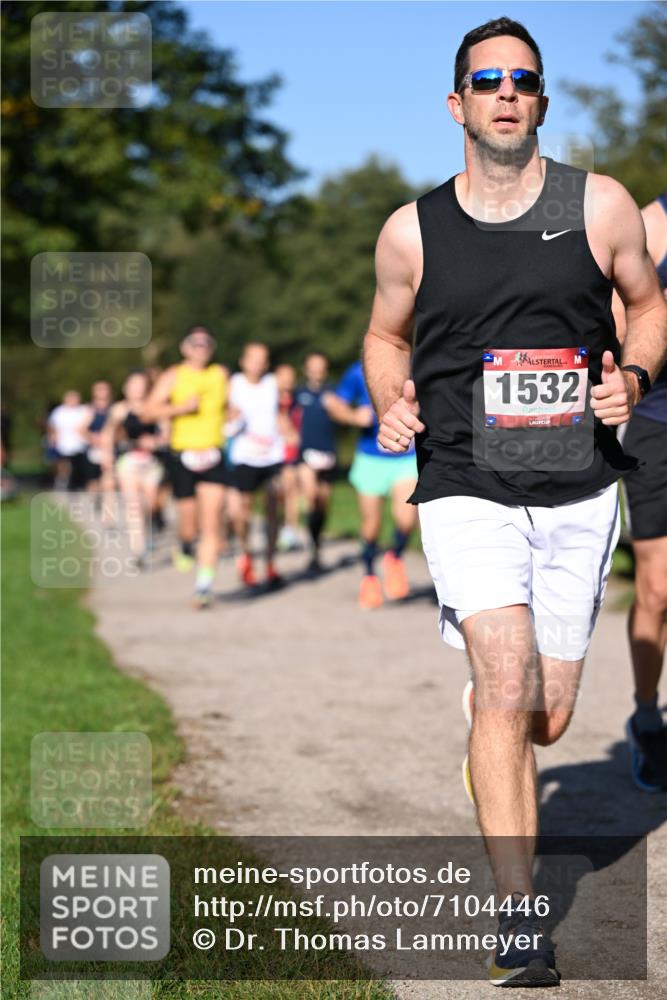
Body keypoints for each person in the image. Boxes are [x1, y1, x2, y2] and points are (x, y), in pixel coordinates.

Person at [361, 17, 667, 986]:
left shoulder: (602, 206)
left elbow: (649, 304)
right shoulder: (412, 229)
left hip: (578, 485)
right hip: (464, 481)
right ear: (457, 103)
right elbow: (383, 335)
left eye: (522, 80)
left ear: (540, 101)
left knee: (549, 714)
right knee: (503, 681)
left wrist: (636, 371)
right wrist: (388, 403)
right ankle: (517, 913)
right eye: (486, 79)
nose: (505, 92)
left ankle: (503, 731)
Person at [613, 193, 667, 792]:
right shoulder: (653, 223)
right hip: (657, 426)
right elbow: (618, 320)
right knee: (656, 587)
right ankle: (648, 716)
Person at [144, 327, 228, 608]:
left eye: (206, 344)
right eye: (196, 343)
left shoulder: (220, 375)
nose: (201, 348)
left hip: (213, 454)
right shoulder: (173, 375)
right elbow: (148, 410)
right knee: (189, 523)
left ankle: (203, 587)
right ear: (185, 349)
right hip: (183, 455)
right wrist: (180, 409)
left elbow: (230, 405)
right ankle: (185, 542)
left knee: (212, 522)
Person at [326, 360, 418, 608]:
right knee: (371, 526)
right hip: (370, 459)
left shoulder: (416, 365)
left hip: (406, 458)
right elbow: (335, 404)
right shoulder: (358, 371)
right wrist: (353, 416)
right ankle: (369, 577)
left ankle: (394, 557)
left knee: (407, 520)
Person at [226, 342, 285, 588]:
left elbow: (281, 413)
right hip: (245, 455)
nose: (257, 363)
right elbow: (222, 413)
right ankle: (245, 552)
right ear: (243, 361)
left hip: (272, 455)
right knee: (243, 511)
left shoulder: (273, 384)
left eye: (262, 359)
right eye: (253, 358)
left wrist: (289, 430)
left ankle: (270, 563)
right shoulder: (234, 384)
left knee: (273, 507)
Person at [102, 371, 167, 568]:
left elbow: (167, 435)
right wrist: (107, 457)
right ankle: (138, 550)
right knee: (134, 505)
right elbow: (108, 434)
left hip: (152, 463)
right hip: (128, 461)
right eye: (133, 385)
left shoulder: (156, 408)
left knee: (150, 505)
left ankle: (150, 530)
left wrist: (155, 442)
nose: (137, 390)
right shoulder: (120, 410)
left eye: (140, 385)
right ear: (126, 388)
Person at [293, 351, 338, 572]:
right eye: (313, 366)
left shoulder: (334, 393)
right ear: (306, 369)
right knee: (310, 496)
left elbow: (344, 417)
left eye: (321, 366)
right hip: (306, 454)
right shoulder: (298, 394)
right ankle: (311, 545)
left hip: (328, 453)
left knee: (323, 502)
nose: (317, 370)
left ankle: (317, 543)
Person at [275, 363, 303, 552]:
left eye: (290, 377)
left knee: (292, 490)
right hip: (271, 455)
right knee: (277, 494)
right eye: (282, 377)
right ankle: (277, 526)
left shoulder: (298, 401)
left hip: (292, 454)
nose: (287, 382)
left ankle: (290, 529)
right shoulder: (268, 400)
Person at [46, 390, 88, 490]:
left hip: (80, 446)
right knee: (64, 467)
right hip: (63, 445)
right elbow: (52, 427)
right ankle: (62, 484)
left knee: (78, 469)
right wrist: (52, 438)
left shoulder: (83, 410)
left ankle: (77, 486)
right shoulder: (59, 412)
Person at [82, 381, 113, 495]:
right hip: (94, 449)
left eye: (104, 389)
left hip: (110, 448)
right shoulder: (90, 409)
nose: (102, 392)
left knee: (109, 477)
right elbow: (81, 429)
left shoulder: (114, 408)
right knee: (93, 480)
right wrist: (93, 438)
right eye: (99, 389)